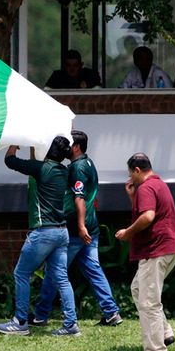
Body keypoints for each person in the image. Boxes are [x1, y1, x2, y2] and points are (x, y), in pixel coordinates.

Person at [30, 130, 122, 328]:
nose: (65, 148)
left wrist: (80, 227)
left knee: (55, 271)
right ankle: (111, 311)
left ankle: (40, 315)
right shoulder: (89, 163)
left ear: (76, 147)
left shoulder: (78, 168)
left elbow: (79, 198)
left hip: (76, 230)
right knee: (93, 269)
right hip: (91, 227)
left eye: (68, 144)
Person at [0, 137, 81, 336]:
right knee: (61, 278)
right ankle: (71, 325)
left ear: (48, 150)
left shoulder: (42, 169)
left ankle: (20, 322)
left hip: (44, 232)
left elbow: (10, 160)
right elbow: (37, 165)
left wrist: (15, 141)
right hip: (62, 232)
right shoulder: (63, 171)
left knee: (21, 273)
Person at [116, 153, 175, 351]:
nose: (129, 179)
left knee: (149, 301)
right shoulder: (158, 185)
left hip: (156, 250)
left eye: (130, 174)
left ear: (136, 170)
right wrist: (133, 197)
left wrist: (128, 233)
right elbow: (148, 209)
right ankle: (165, 332)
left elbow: (148, 216)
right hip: (167, 248)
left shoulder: (146, 187)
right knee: (138, 289)